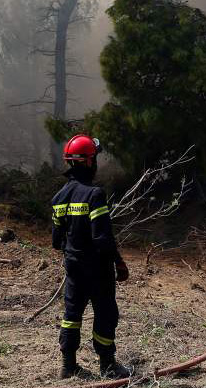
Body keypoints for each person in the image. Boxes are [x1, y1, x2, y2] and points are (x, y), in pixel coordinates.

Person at [52, 134, 131, 379]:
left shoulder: (59, 198)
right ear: (87, 162)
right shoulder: (95, 195)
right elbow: (102, 238)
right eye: (94, 158)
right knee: (105, 312)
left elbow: (57, 242)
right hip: (97, 267)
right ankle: (107, 364)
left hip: (73, 266)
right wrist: (119, 262)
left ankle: (68, 366)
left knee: (72, 313)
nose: (96, 162)